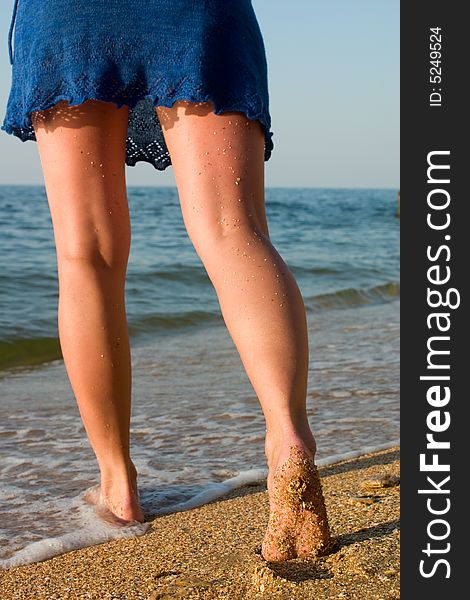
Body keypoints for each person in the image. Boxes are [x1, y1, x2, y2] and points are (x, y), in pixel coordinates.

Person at [2, 0, 332, 561]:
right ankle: (288, 437)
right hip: (195, 12)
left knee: (88, 256)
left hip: (69, 17)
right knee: (233, 231)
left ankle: (118, 484)